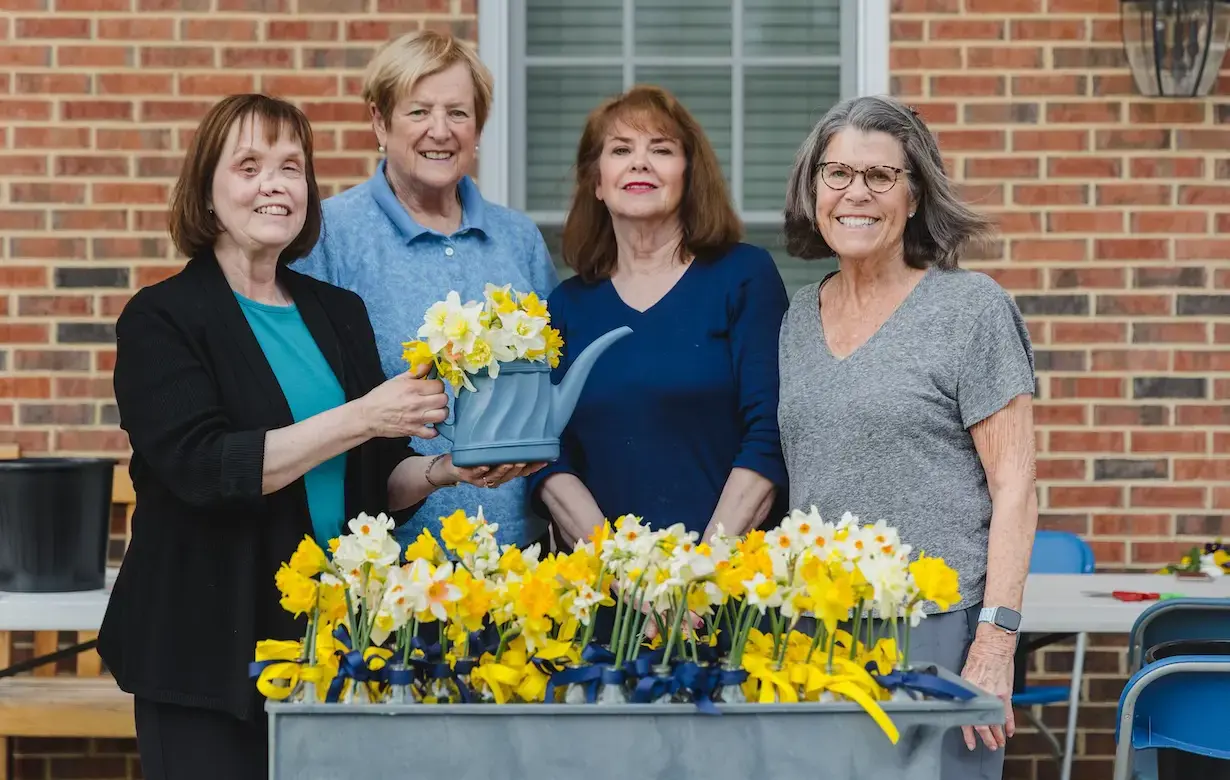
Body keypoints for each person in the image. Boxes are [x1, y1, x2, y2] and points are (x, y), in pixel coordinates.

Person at [97, 94, 521, 780]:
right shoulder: (162, 319)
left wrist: (446, 469)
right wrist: (363, 416)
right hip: (207, 652)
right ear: (206, 196)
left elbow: (376, 478)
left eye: (292, 166)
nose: (275, 183)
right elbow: (211, 468)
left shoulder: (337, 312)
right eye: (249, 165)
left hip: (336, 645)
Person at [778, 94, 1038, 780]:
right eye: (836, 174)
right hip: (816, 630)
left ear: (914, 195)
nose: (854, 193)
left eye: (880, 176)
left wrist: (995, 643)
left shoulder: (971, 309)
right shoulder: (799, 316)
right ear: (813, 191)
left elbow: (1015, 487)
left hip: (938, 631)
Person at [295, 30, 556, 550]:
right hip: (386, 565)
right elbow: (307, 405)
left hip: (519, 559)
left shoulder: (517, 238)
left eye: (458, 113)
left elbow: (549, 385)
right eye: (418, 112)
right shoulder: (329, 235)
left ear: (478, 126)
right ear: (379, 121)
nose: (440, 131)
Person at [527, 85, 789, 550]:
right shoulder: (565, 306)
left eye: (661, 149)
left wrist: (699, 576)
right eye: (620, 149)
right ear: (597, 181)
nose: (640, 162)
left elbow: (769, 436)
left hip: (728, 583)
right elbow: (547, 458)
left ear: (689, 174)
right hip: (603, 598)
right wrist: (626, 577)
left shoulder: (743, 278)